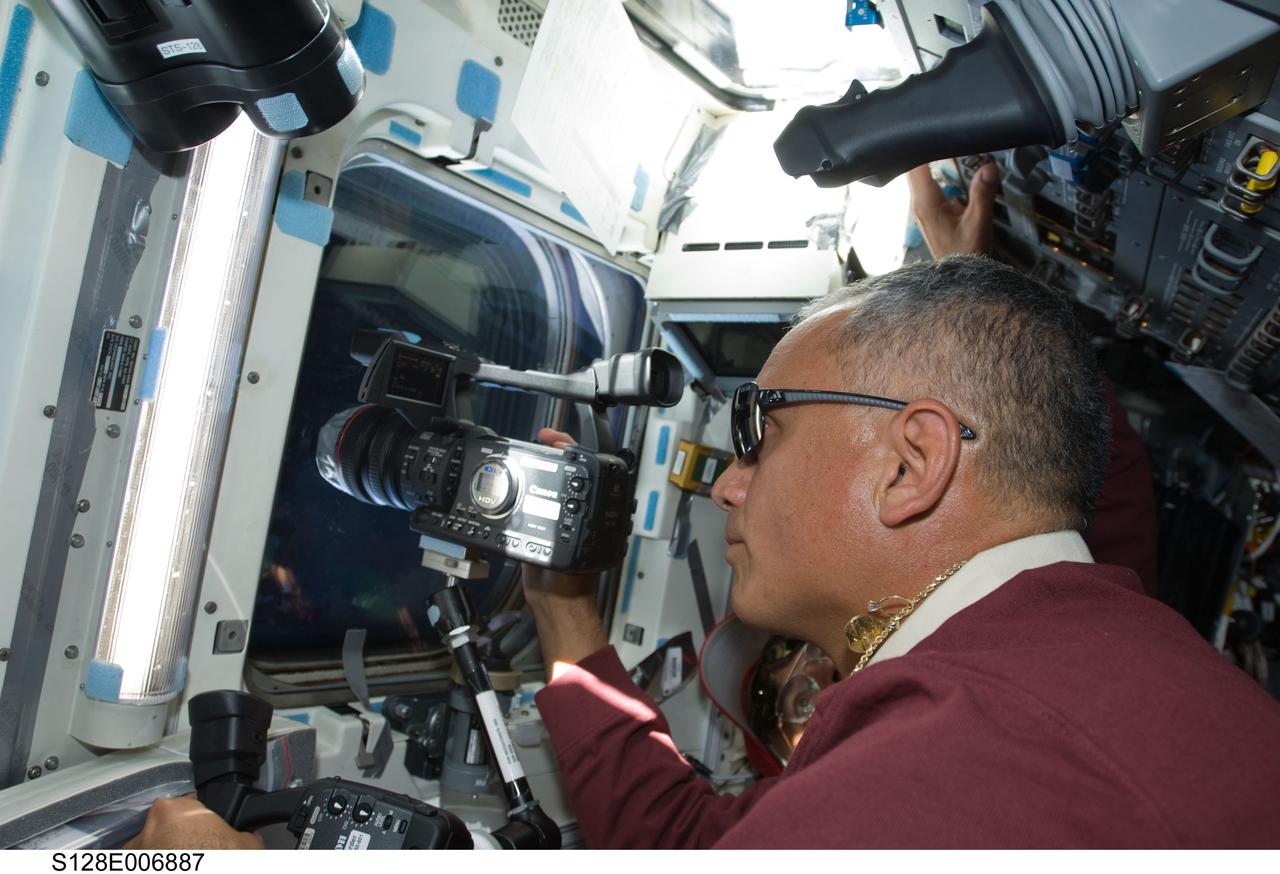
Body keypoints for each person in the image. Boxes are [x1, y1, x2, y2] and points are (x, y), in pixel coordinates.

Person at [130, 165, 1276, 848]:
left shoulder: (960, 772)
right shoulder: (1082, 624)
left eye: (761, 433)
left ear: (909, 463)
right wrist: (568, 620)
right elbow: (710, 846)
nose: (727, 480)